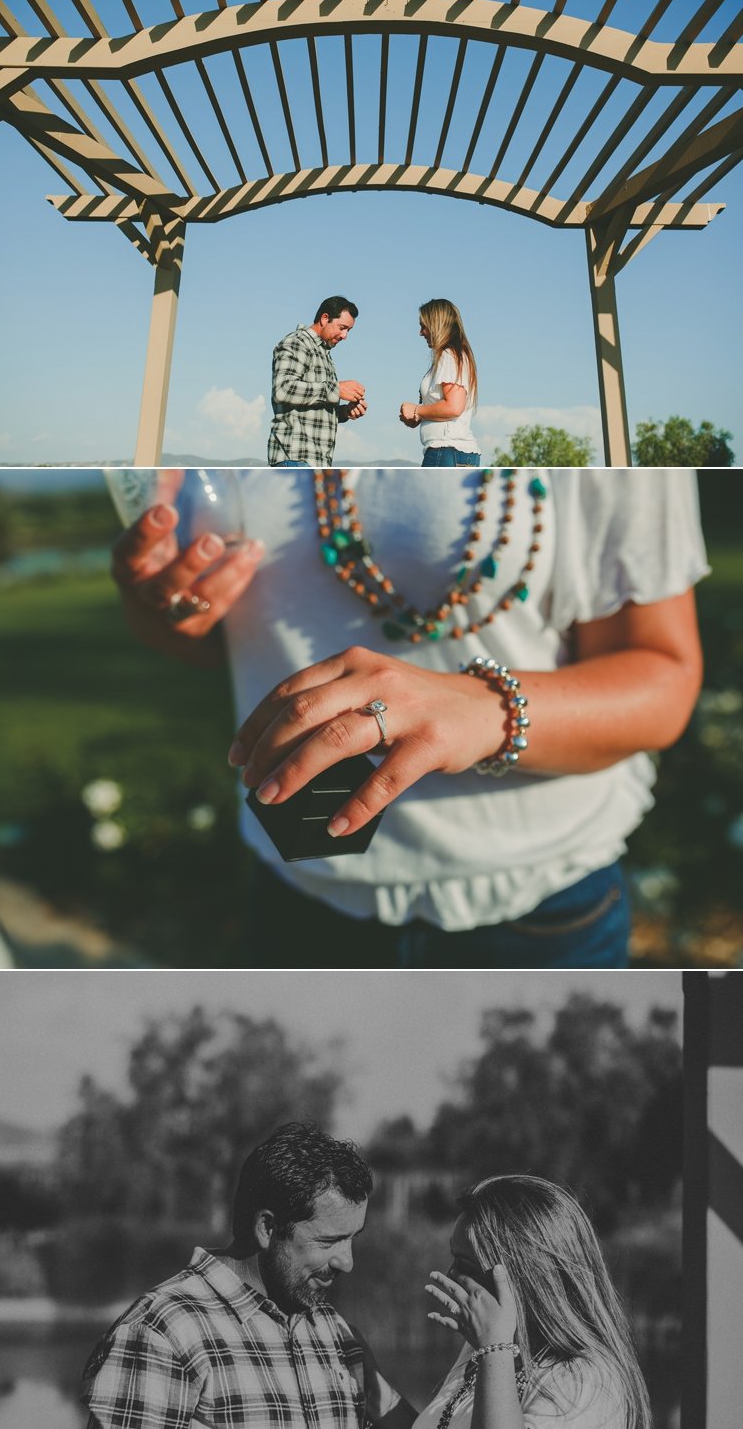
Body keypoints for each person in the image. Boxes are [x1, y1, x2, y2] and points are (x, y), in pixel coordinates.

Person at [111, 467, 708, 969]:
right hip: (298, 891)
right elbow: (220, 630)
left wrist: (482, 708)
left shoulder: (583, 395)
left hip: (538, 913)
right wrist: (162, 609)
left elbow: (662, 677)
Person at [82, 1122, 381, 1429]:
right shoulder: (163, 1333)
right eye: (328, 1241)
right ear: (267, 1228)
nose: (347, 1261)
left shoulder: (334, 1331)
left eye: (353, 1238)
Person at [359, 1174, 651, 1429]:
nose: (450, 1273)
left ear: (527, 1276)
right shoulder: (486, 1352)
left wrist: (493, 1348)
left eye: (466, 1264)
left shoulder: (585, 1378)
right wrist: (373, 1388)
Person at [269, 295, 367, 466]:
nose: (345, 336)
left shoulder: (323, 353)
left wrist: (344, 412)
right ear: (324, 318)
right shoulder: (297, 343)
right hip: (295, 458)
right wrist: (336, 390)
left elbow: (314, 412)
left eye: (348, 331)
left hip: (317, 461)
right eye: (342, 328)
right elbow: (283, 389)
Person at [400, 299, 480, 464]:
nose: (421, 332)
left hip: (446, 451)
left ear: (436, 324)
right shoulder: (457, 356)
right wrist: (419, 416)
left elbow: (453, 407)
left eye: (424, 326)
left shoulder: (448, 355)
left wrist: (417, 410)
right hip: (454, 452)